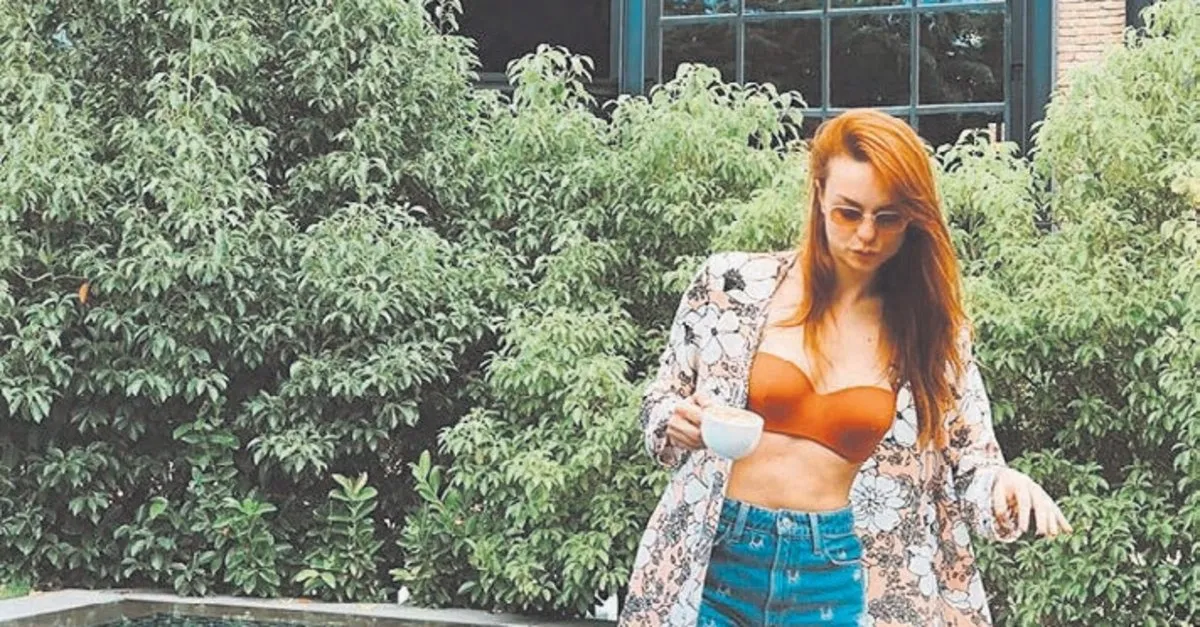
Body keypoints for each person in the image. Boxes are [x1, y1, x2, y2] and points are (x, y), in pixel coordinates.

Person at [619, 109, 1072, 627]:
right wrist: (673, 420)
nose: (866, 235)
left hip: (836, 573)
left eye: (888, 218)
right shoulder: (730, 284)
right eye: (848, 213)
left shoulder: (932, 332)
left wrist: (1004, 487)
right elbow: (662, 398)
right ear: (819, 196)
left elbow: (972, 462)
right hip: (713, 556)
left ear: (913, 219)